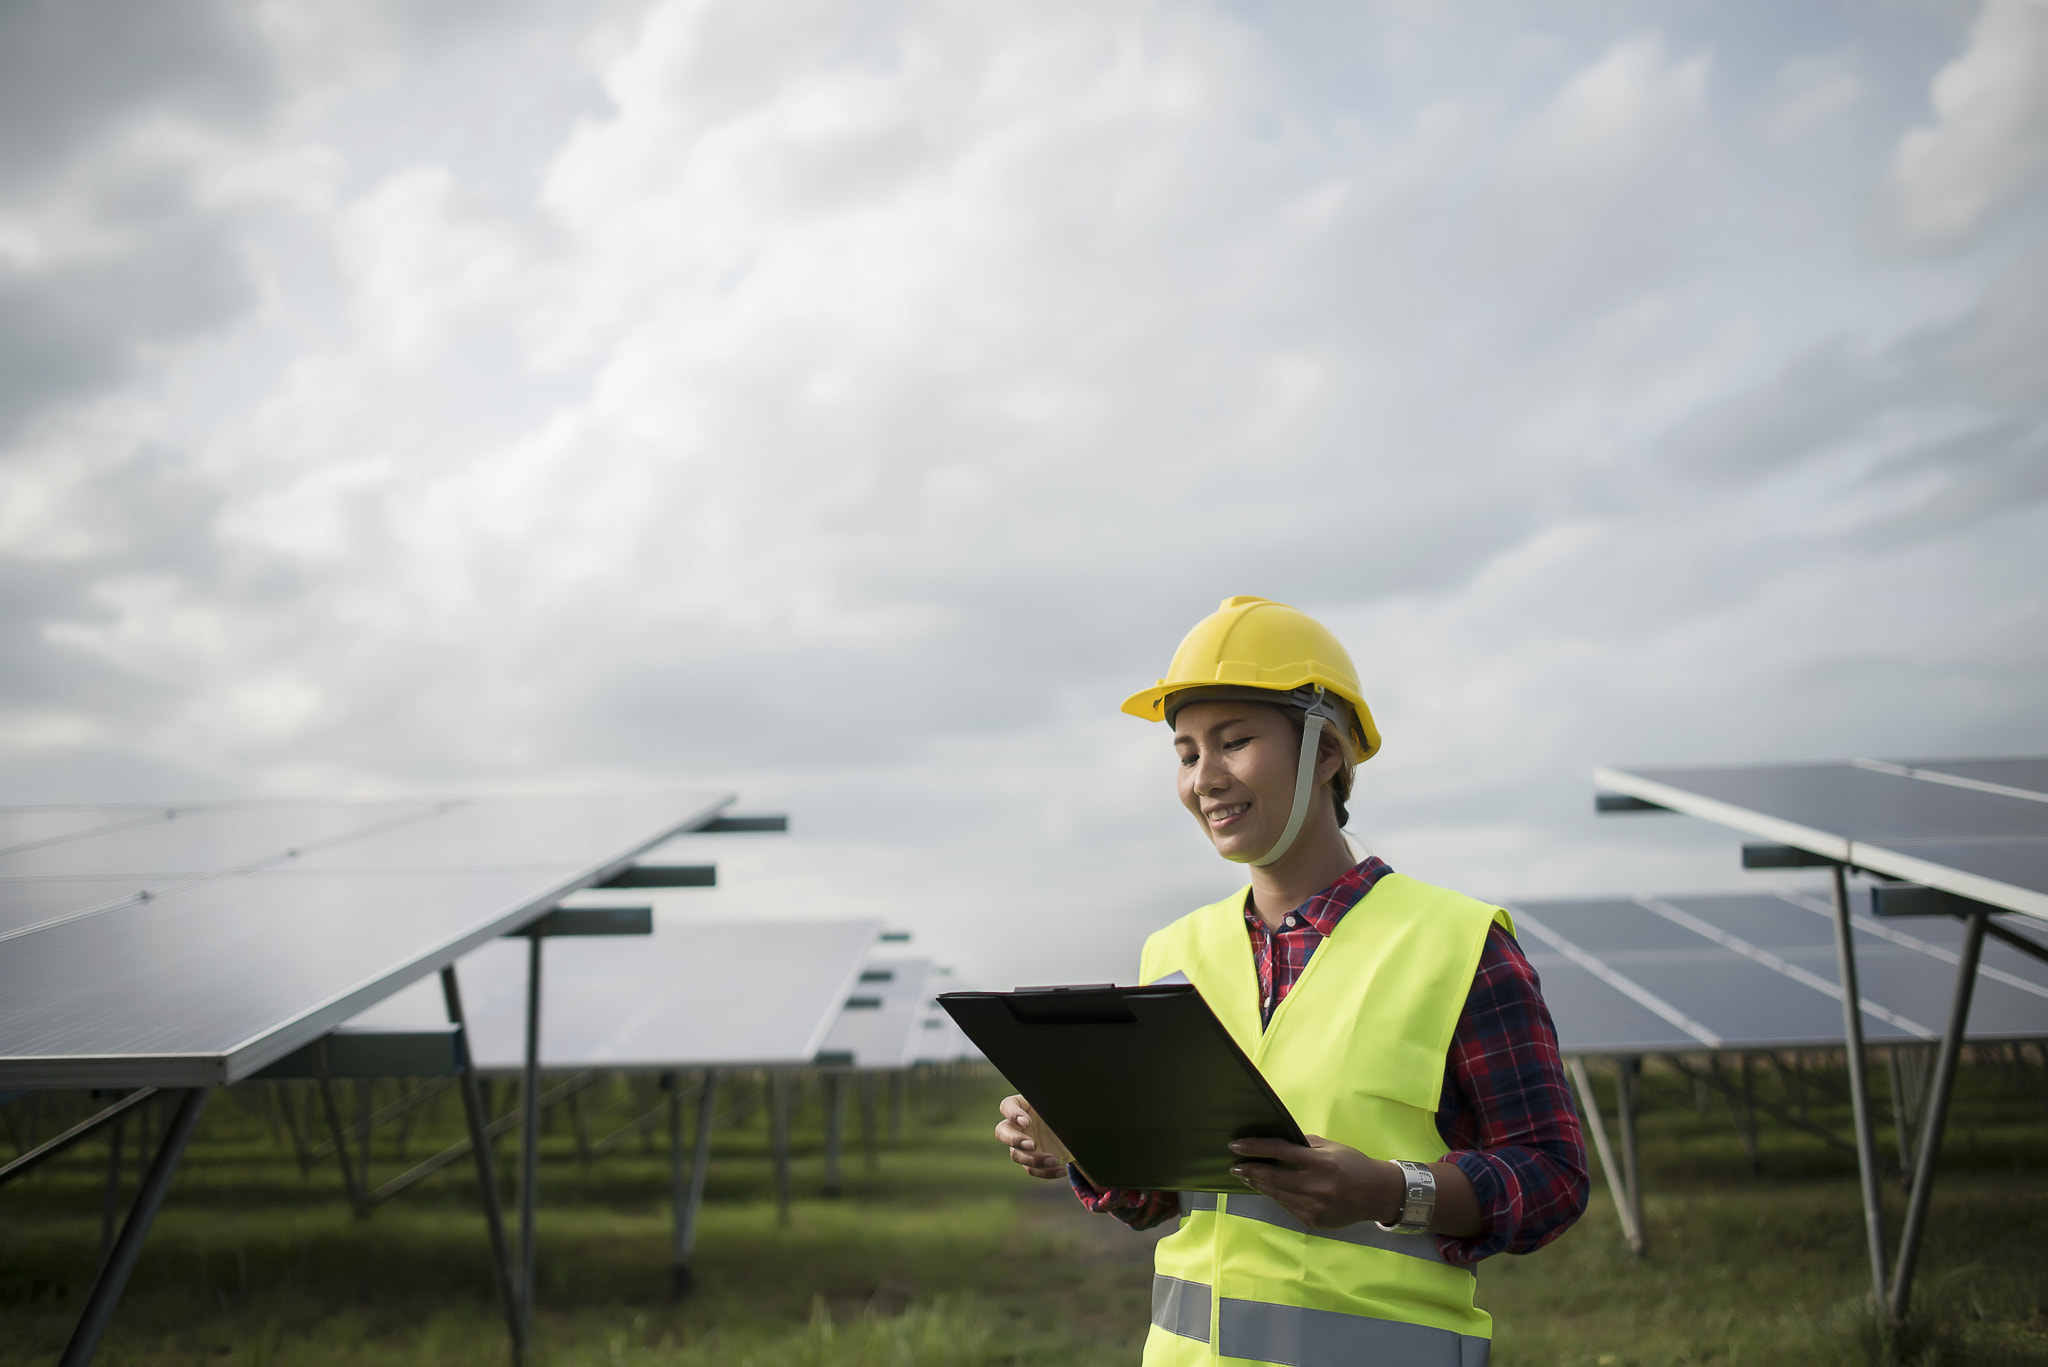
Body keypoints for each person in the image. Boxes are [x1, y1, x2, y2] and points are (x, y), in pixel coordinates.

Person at [994, 596, 1588, 1366]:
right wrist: (1082, 1142)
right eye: (1185, 753)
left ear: (1328, 753)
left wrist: (1391, 1190)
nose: (1205, 778)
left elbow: (1552, 1176)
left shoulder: (1459, 944)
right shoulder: (1172, 952)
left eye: (1234, 741)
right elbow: (1162, 1198)